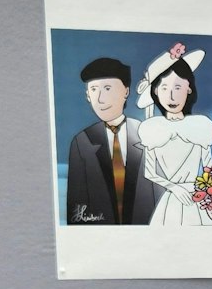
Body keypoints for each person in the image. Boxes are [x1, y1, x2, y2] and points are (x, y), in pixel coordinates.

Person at [136, 43, 212, 225]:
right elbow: (149, 173)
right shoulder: (152, 130)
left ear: (189, 89)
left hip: (199, 198)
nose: (171, 96)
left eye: (178, 87)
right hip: (172, 199)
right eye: (164, 88)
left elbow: (209, 170)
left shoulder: (201, 126)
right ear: (156, 92)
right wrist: (175, 188)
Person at [62, 56, 151, 225]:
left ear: (126, 91)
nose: (100, 99)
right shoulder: (82, 142)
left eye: (108, 88)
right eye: (94, 90)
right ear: (87, 95)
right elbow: (76, 208)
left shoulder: (146, 134)